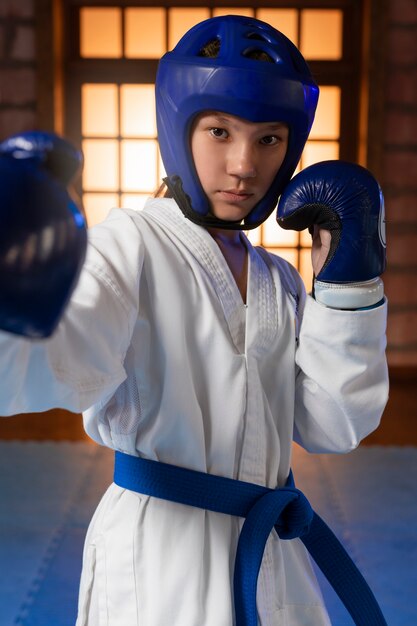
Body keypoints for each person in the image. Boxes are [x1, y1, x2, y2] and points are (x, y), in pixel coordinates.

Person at [0, 15, 388, 626]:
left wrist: (347, 288)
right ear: (178, 129)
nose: (243, 164)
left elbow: (333, 424)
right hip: (160, 554)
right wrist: (15, 295)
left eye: (269, 139)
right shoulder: (128, 248)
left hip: (271, 551)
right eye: (218, 131)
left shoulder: (278, 279)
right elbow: (54, 365)